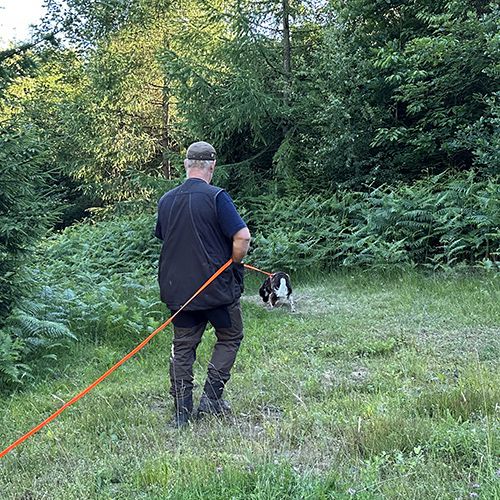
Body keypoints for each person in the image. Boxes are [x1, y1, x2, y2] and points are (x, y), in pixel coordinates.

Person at [155, 141, 251, 427]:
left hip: (179, 290)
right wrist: (234, 263)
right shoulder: (216, 197)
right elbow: (242, 237)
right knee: (230, 337)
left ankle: (182, 413)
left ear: (186, 165)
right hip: (216, 290)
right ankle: (211, 399)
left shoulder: (166, 200)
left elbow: (165, 237)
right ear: (212, 166)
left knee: (183, 347)